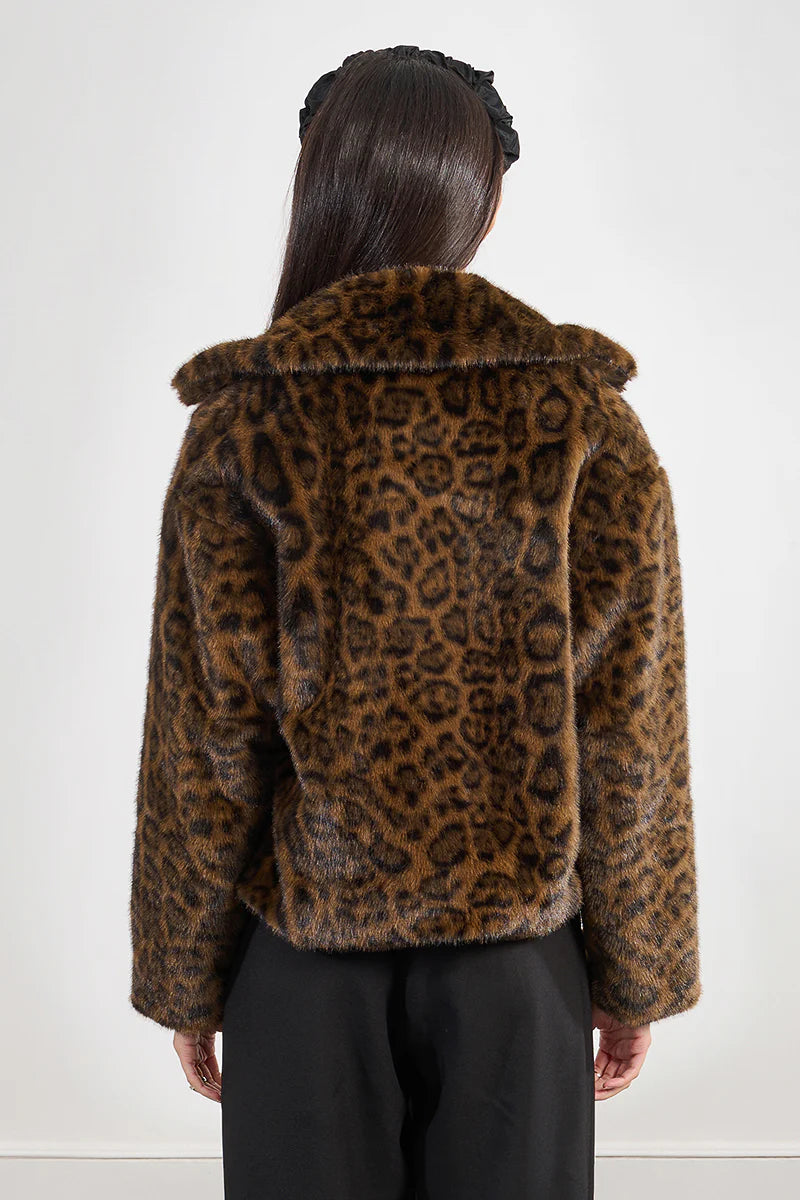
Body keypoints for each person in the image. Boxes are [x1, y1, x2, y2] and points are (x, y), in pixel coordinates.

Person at [129, 44, 701, 1200]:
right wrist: (633, 973)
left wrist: (187, 978)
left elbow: (204, 744)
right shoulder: (582, 420)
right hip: (514, 974)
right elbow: (628, 737)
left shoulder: (246, 423)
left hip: (303, 969)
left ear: (321, 189)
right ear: (478, 203)